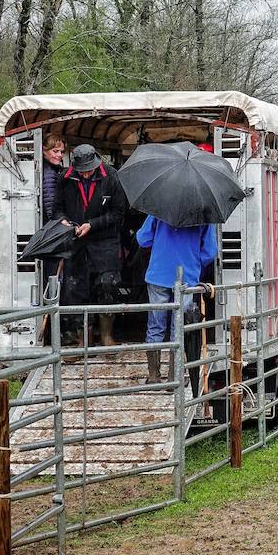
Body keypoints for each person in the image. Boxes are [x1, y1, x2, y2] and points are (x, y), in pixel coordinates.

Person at [53, 143, 127, 346]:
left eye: (88, 170)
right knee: (74, 288)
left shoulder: (111, 176)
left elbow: (119, 212)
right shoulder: (65, 178)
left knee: (108, 284)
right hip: (75, 240)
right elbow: (57, 209)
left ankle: (106, 335)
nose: (85, 174)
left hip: (105, 240)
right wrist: (64, 221)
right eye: (81, 171)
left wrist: (92, 225)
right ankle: (82, 339)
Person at [136, 214, 218, 384]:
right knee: (179, 327)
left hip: (158, 274)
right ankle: (175, 376)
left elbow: (142, 239)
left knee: (155, 325)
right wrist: (193, 260)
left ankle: (153, 377)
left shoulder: (159, 209)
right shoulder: (203, 214)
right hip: (187, 277)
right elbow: (210, 253)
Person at [40, 133, 68, 302]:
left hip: (51, 229)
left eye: (61, 151)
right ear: (44, 150)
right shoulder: (49, 174)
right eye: (55, 151)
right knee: (54, 276)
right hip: (52, 232)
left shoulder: (54, 170)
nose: (59, 155)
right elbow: (50, 204)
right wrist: (61, 224)